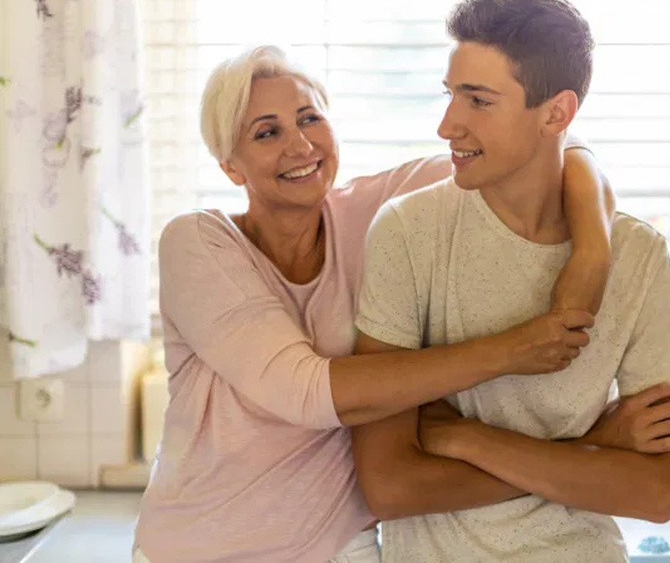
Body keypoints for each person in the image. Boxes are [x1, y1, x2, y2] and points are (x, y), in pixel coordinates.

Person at [132, 42, 620, 562]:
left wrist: (591, 252)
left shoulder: (374, 212)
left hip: (340, 545)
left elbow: (543, 147)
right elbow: (306, 392)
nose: (300, 146)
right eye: (267, 132)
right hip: (200, 547)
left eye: (309, 119)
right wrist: (514, 354)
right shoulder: (198, 242)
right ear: (231, 167)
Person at [352, 0, 670, 562]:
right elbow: (390, 486)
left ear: (556, 113)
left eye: (479, 101)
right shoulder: (409, 232)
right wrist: (589, 449)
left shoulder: (637, 254)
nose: (447, 125)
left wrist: (463, 437)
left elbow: (657, 492)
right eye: (451, 95)